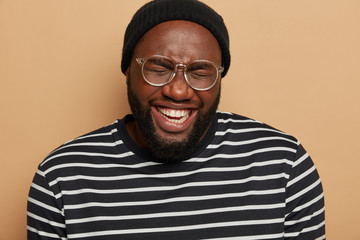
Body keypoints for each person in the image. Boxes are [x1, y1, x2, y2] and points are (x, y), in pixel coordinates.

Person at [27, 0, 325, 239]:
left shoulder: (284, 167)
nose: (179, 90)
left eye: (200, 71)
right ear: (128, 70)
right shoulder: (62, 178)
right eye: (158, 67)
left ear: (220, 78)